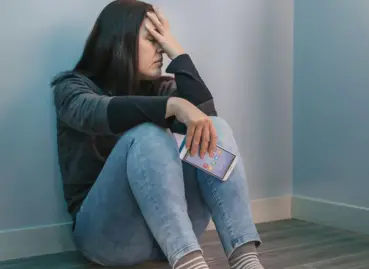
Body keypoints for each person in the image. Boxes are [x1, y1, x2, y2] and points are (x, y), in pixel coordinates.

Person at [51, 1, 265, 269]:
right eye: (152, 40)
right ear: (121, 40)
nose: (160, 50)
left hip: (168, 235)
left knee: (215, 127)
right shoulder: (71, 88)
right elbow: (99, 114)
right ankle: (189, 263)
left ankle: (245, 259)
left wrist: (179, 53)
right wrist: (171, 107)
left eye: (162, 41)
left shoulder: (161, 88)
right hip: (106, 237)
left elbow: (205, 118)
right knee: (147, 134)